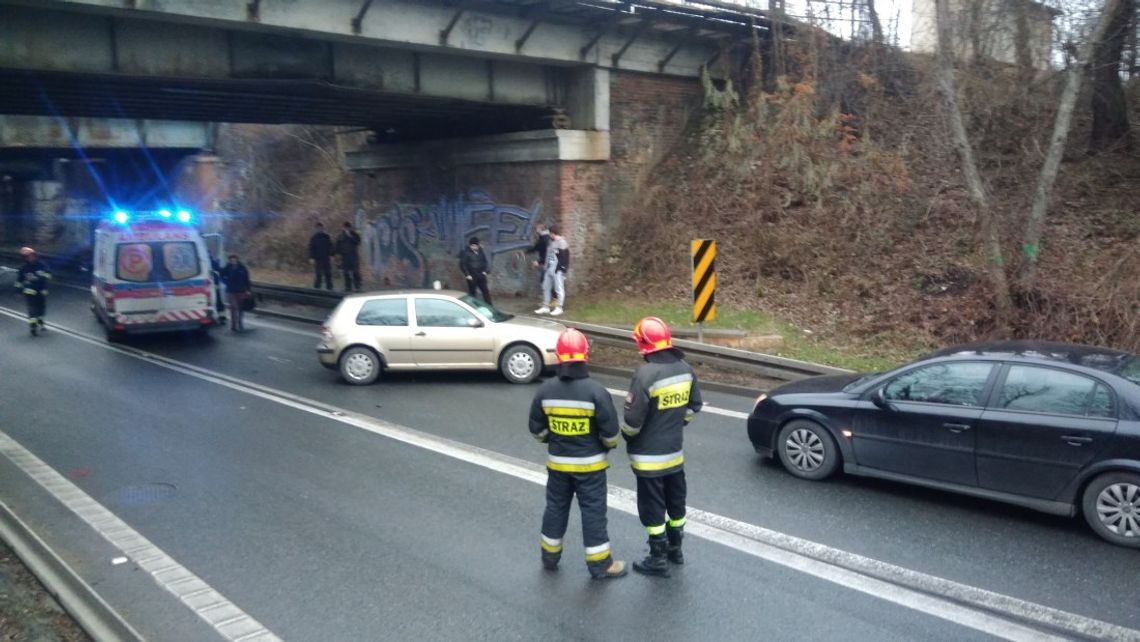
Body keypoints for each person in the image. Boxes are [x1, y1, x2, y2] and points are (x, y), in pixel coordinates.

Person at [529, 328, 628, 580]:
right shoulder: (596, 392)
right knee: (593, 513)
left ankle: (549, 557)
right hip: (591, 469)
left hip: (558, 467)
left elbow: (537, 430)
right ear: (585, 355)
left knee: (555, 509)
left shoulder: (545, 391)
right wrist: (603, 447)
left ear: (559, 357)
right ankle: (600, 566)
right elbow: (612, 436)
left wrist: (555, 439)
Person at [622, 316, 703, 577]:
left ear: (644, 344)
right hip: (674, 454)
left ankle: (657, 558)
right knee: (676, 503)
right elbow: (693, 406)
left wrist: (628, 437)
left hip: (648, 458)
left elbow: (633, 421)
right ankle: (675, 549)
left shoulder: (645, 374)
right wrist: (677, 424)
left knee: (652, 506)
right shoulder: (686, 369)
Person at [534, 226, 569, 317]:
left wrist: (561, 269)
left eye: (550, 233)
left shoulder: (562, 243)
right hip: (549, 269)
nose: (549, 235)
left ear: (553, 233)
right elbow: (548, 256)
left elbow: (565, 257)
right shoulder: (551, 243)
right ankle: (545, 306)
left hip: (557, 270)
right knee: (546, 287)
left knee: (559, 289)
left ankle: (559, 307)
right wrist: (543, 264)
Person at [16, 247, 50, 336]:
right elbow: (19, 281)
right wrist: (18, 291)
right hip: (30, 293)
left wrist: (42, 275)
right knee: (32, 310)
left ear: (35, 256)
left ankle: (40, 321)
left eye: (31, 256)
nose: (30, 258)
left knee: (41, 309)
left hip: (41, 291)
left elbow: (48, 275)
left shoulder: (41, 265)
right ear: (25, 258)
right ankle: (33, 327)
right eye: (27, 257)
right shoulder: (23, 268)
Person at [219, 254, 252, 332]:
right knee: (234, 308)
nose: (233, 260)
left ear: (237, 259)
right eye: (231, 259)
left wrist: (248, 290)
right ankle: (234, 325)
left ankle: (240, 322)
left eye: (234, 259)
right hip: (231, 291)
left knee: (241, 308)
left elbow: (247, 279)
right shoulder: (227, 268)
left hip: (241, 290)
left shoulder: (242, 268)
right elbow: (221, 275)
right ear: (229, 260)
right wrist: (226, 282)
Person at [459, 236, 492, 305]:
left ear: (478, 245)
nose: (474, 247)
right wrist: (467, 275)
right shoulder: (466, 253)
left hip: (481, 275)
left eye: (475, 245)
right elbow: (463, 265)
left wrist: (485, 271)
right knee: (472, 292)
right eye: (472, 245)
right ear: (470, 245)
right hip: (472, 276)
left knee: (485, 291)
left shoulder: (481, 252)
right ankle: (473, 306)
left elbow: (485, 262)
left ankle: (490, 306)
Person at [523, 223, 550, 296]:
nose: (536, 230)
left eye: (537, 229)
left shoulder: (544, 239)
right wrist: (526, 252)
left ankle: (549, 298)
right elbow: (536, 247)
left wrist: (539, 262)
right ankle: (548, 298)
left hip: (547, 262)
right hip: (546, 262)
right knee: (544, 280)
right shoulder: (544, 238)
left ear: (540, 229)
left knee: (545, 280)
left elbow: (546, 252)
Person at [336, 221, 362, 293]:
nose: (346, 229)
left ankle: (357, 287)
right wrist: (337, 254)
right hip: (344, 257)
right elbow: (337, 245)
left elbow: (358, 242)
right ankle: (348, 287)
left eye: (347, 228)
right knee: (346, 272)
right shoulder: (341, 235)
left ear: (350, 228)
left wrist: (350, 236)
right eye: (345, 228)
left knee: (355, 272)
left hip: (353, 256)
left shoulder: (355, 234)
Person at [309, 222, 334, 290]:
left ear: (322, 228)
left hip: (326, 257)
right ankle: (317, 287)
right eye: (318, 228)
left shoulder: (326, 236)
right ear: (316, 229)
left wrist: (331, 255)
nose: (319, 229)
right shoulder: (314, 238)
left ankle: (330, 287)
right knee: (318, 273)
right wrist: (311, 257)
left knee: (328, 273)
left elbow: (330, 246)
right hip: (318, 258)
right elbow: (311, 248)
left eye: (320, 228)